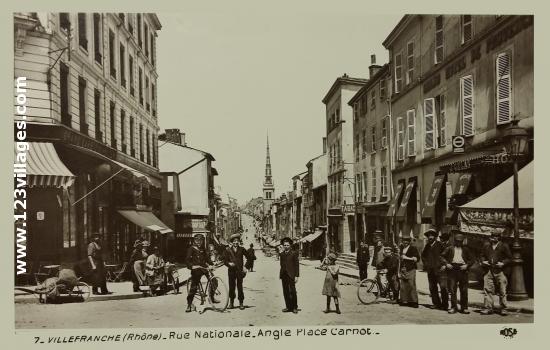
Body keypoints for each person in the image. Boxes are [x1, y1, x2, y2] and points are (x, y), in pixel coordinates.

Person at [440, 231, 475, 314]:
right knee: (452, 290)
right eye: (457, 241)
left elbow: (472, 259)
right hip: (452, 269)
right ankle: (453, 307)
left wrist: (467, 265)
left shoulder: (466, 249)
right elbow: (441, 256)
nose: (458, 243)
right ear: (454, 241)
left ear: (462, 241)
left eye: (460, 241)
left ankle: (464, 307)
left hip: (463, 269)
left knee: (464, 290)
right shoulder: (450, 248)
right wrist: (446, 264)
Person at [480, 231, 512, 315]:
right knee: (488, 290)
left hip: (500, 271)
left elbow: (510, 258)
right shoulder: (486, 245)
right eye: (492, 236)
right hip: (489, 270)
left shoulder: (504, 246)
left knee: (502, 291)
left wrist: (503, 263)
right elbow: (482, 255)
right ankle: (488, 308)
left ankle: (504, 308)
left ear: (499, 238)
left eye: (495, 236)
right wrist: (484, 261)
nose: (493, 238)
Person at [185, 233, 214, 313]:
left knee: (214, 281)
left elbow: (207, 258)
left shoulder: (203, 249)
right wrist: (192, 266)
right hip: (196, 270)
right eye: (197, 240)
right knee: (194, 288)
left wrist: (212, 264)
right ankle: (189, 304)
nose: (199, 242)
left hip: (204, 268)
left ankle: (212, 297)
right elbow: (187, 260)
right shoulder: (191, 249)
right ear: (194, 241)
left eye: (200, 240)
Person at [421, 228, 448, 310]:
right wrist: (426, 265)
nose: (430, 237)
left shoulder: (440, 245)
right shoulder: (427, 246)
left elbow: (447, 255)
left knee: (443, 287)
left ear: (435, 237)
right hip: (431, 270)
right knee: (432, 288)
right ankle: (436, 303)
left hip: (440, 270)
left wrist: (445, 265)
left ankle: (444, 305)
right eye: (429, 235)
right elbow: (423, 256)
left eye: (432, 235)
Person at [224, 234, 250, 310]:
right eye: (234, 241)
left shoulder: (242, 249)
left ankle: (241, 303)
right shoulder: (228, 250)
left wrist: (245, 267)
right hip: (231, 271)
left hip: (239, 271)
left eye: (237, 241)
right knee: (231, 287)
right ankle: (231, 303)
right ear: (232, 242)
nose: (236, 242)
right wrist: (229, 264)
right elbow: (225, 261)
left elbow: (249, 257)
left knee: (240, 287)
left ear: (239, 242)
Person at [279, 237, 299, 314]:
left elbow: (296, 265)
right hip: (284, 275)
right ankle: (288, 307)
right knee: (285, 291)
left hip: (291, 275)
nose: (286, 246)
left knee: (293, 291)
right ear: (283, 246)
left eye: (287, 245)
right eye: (285, 245)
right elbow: (281, 264)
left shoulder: (294, 253)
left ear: (290, 245)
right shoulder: (282, 254)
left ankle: (294, 307)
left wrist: (296, 276)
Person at [398, 236, 419, 308]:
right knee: (403, 285)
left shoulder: (413, 248)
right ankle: (404, 300)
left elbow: (417, 259)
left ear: (409, 242)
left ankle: (414, 301)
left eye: (407, 241)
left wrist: (407, 258)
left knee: (411, 285)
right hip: (403, 269)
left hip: (410, 269)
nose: (405, 242)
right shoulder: (401, 248)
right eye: (404, 241)